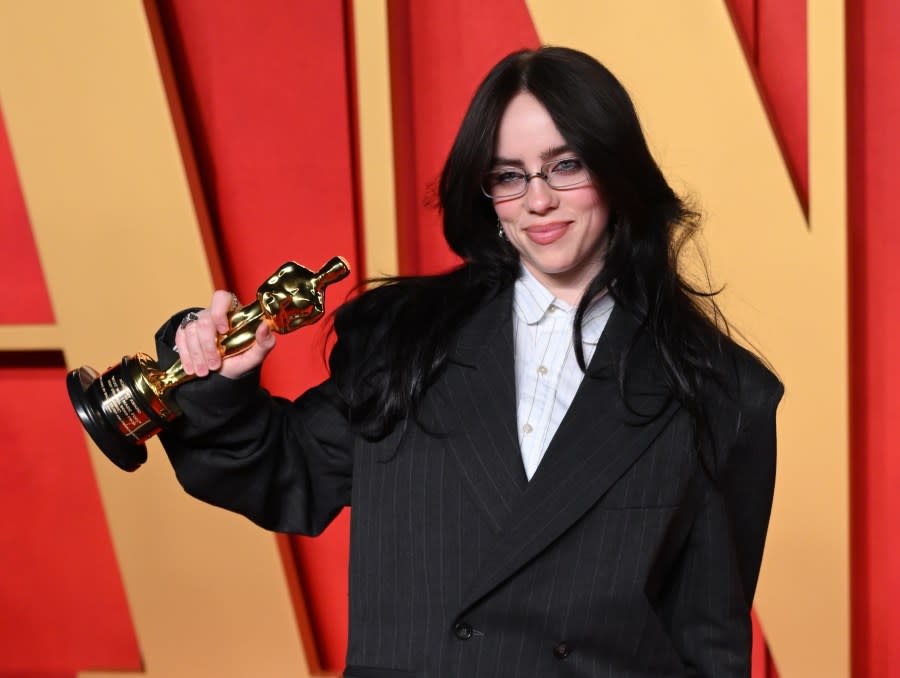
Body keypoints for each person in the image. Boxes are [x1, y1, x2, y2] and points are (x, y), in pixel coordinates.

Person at [157, 46, 783, 678]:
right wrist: (223, 384)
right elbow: (283, 474)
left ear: (618, 172)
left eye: (566, 166)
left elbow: (709, 645)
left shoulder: (721, 390)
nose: (537, 201)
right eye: (509, 175)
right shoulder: (400, 338)